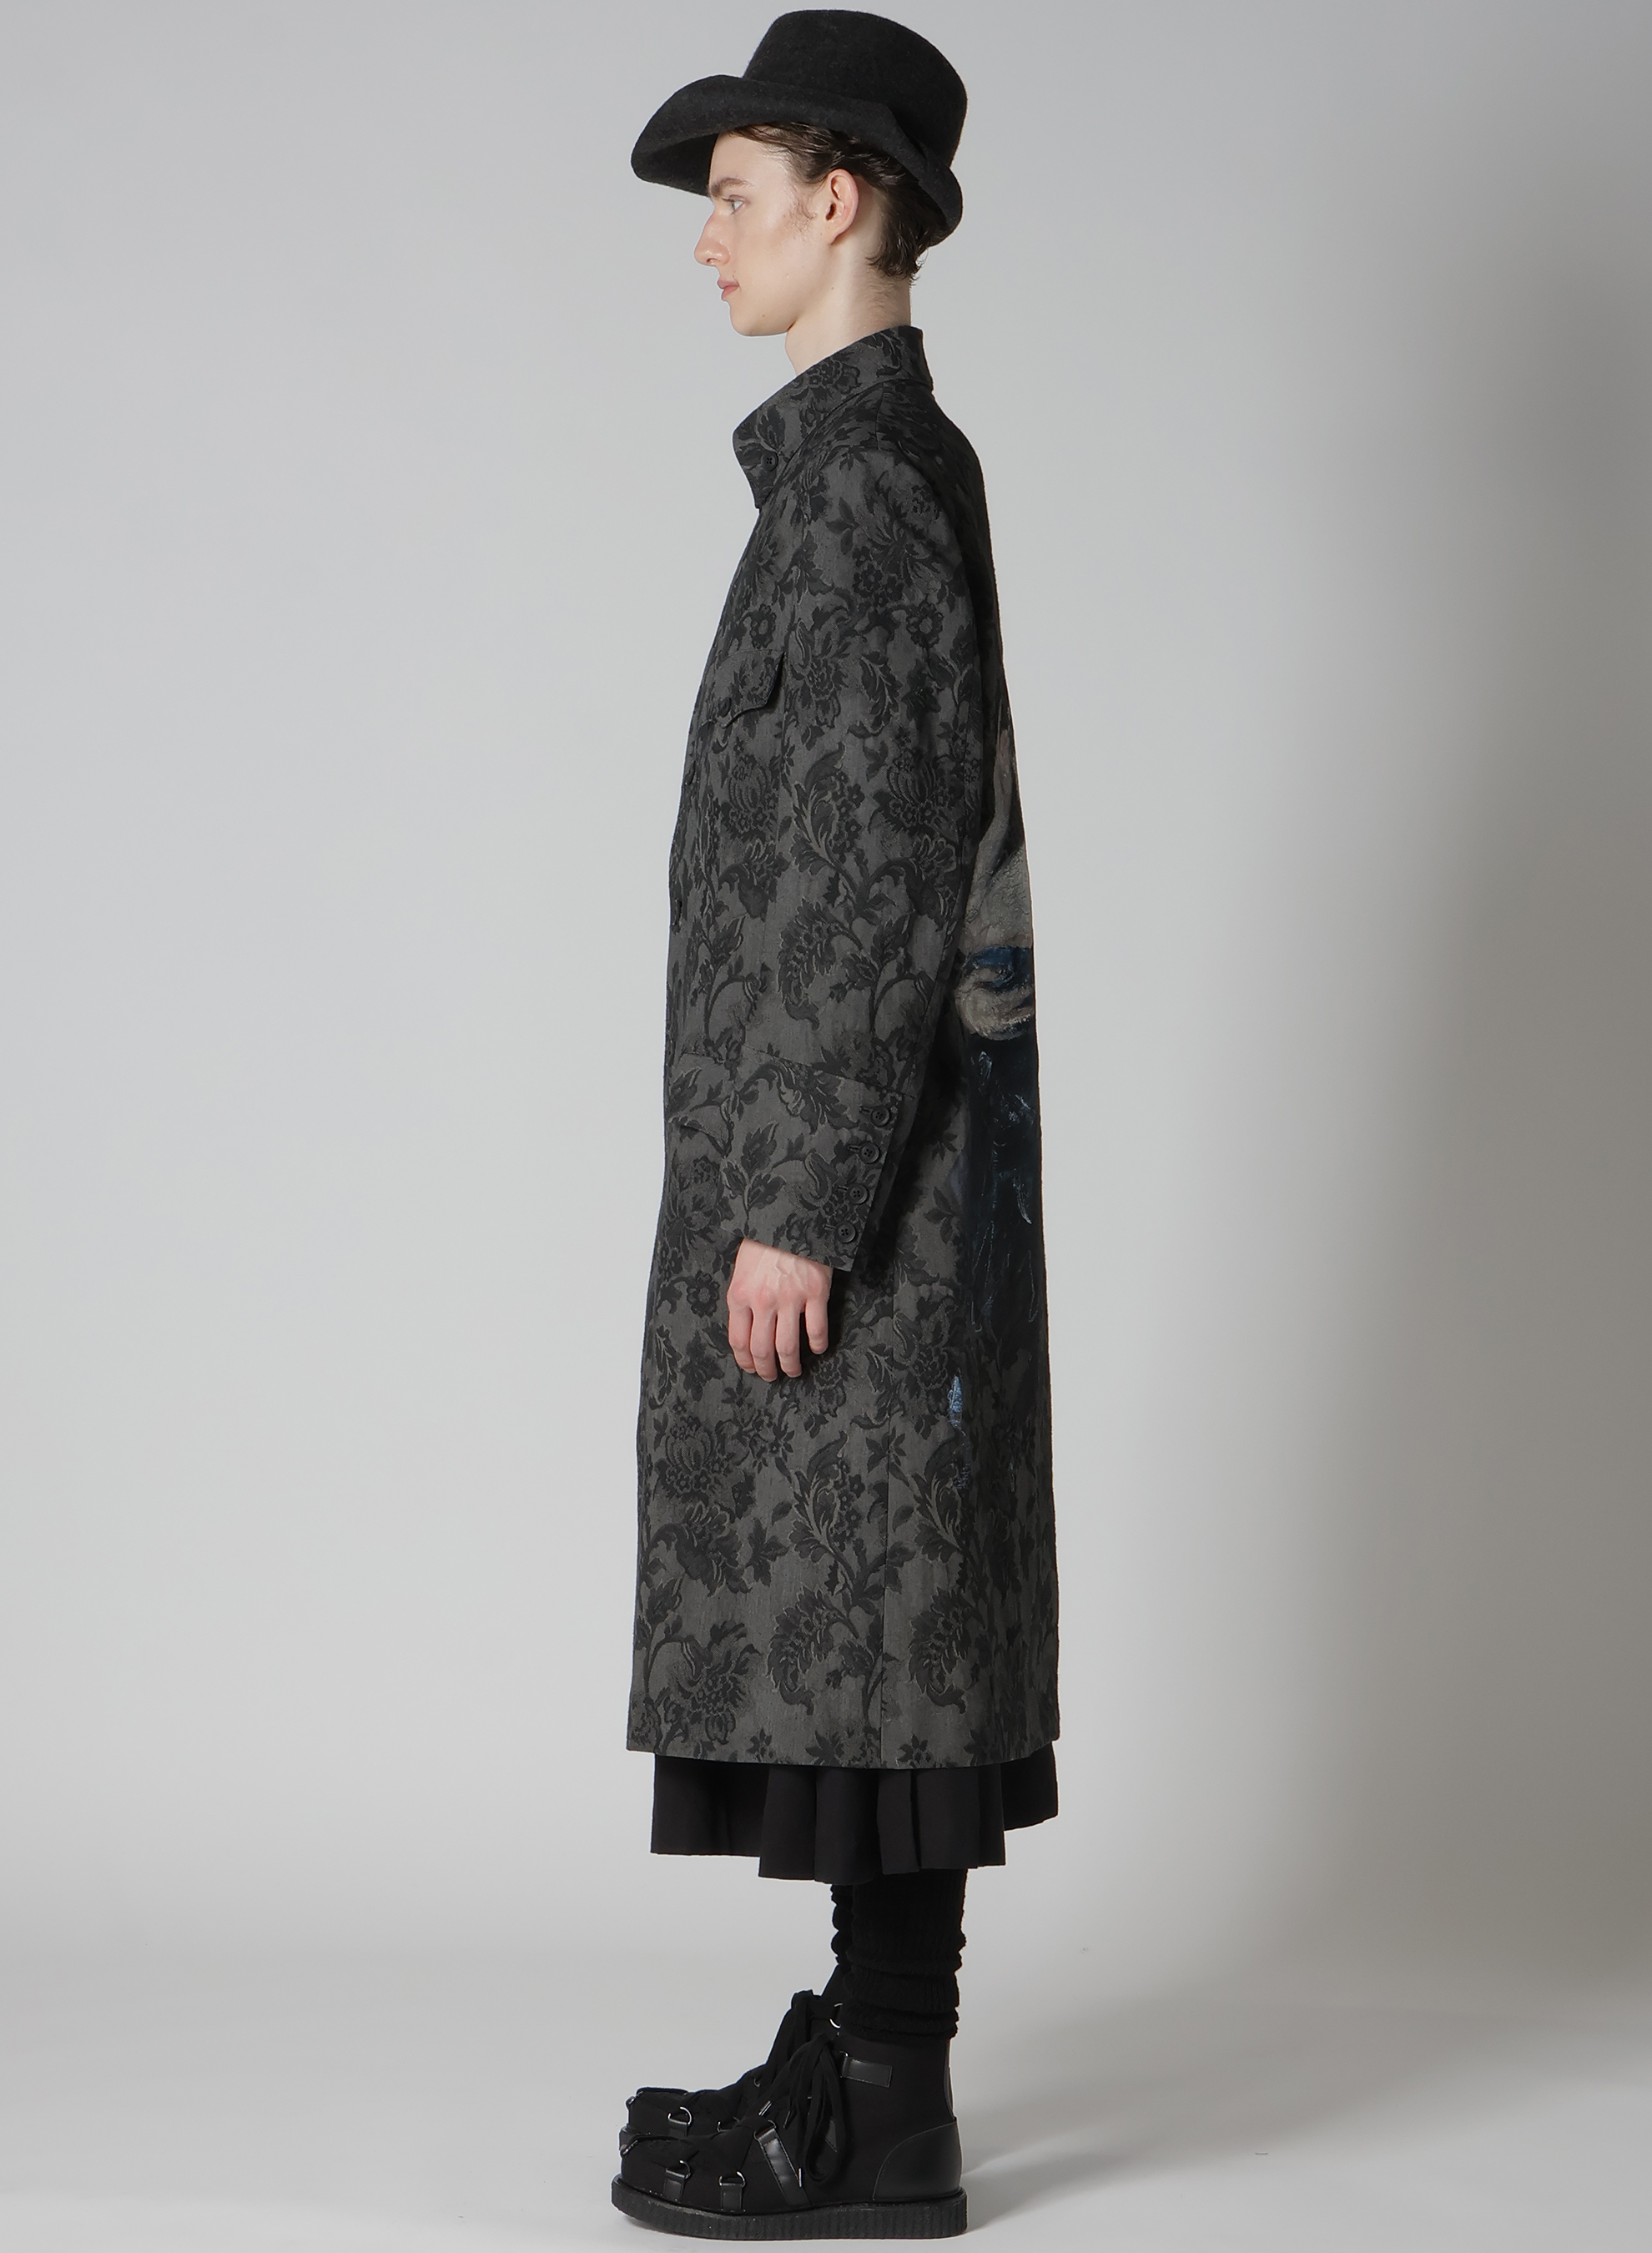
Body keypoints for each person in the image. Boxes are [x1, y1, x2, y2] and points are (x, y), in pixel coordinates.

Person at [612, 11, 1058, 2236]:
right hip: (862, 1172)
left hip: (857, 1192)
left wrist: (796, 1198)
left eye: (733, 194)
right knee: (873, 1634)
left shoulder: (866, 493)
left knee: (883, 1634)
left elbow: (875, 867)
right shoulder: (848, 480)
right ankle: (874, 2079)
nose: (706, 239)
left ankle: (887, 2121)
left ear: (838, 199)